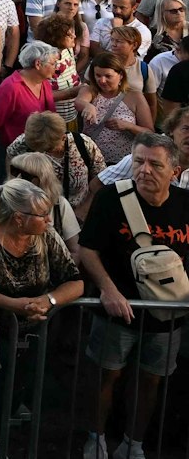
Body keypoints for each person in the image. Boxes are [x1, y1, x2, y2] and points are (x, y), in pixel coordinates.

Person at [0, 179, 84, 446]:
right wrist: (10, 304)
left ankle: (4, 439)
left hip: (36, 333)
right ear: (19, 219)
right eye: (42, 215)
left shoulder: (46, 236)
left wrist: (48, 300)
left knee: (24, 390)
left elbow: (75, 281)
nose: (49, 221)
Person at [77, 132, 189, 459]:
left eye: (155, 164)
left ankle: (133, 444)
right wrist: (108, 290)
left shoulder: (185, 205)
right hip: (117, 312)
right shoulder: (112, 199)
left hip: (167, 316)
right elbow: (88, 249)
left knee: (151, 382)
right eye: (138, 161)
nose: (144, 170)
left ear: (175, 171)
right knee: (105, 376)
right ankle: (95, 439)